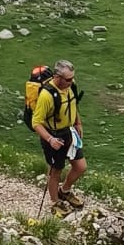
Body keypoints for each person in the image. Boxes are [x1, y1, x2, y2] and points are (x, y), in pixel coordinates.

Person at [31, 59, 87, 211]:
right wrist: (50, 140)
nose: (71, 81)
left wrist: (78, 123)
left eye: (72, 78)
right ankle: (55, 202)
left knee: (81, 166)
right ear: (57, 77)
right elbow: (36, 122)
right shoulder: (46, 95)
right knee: (56, 171)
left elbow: (73, 104)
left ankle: (65, 190)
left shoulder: (70, 86)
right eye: (68, 79)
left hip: (69, 132)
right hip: (53, 135)